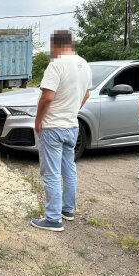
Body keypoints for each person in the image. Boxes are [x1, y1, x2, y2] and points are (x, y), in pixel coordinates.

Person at [31, 30, 91, 232]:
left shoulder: (56, 64)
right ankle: (67, 210)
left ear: (55, 44)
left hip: (53, 126)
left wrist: (38, 121)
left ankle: (53, 218)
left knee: (51, 173)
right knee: (69, 169)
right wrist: (73, 110)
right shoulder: (84, 64)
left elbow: (47, 97)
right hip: (71, 126)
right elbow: (86, 94)